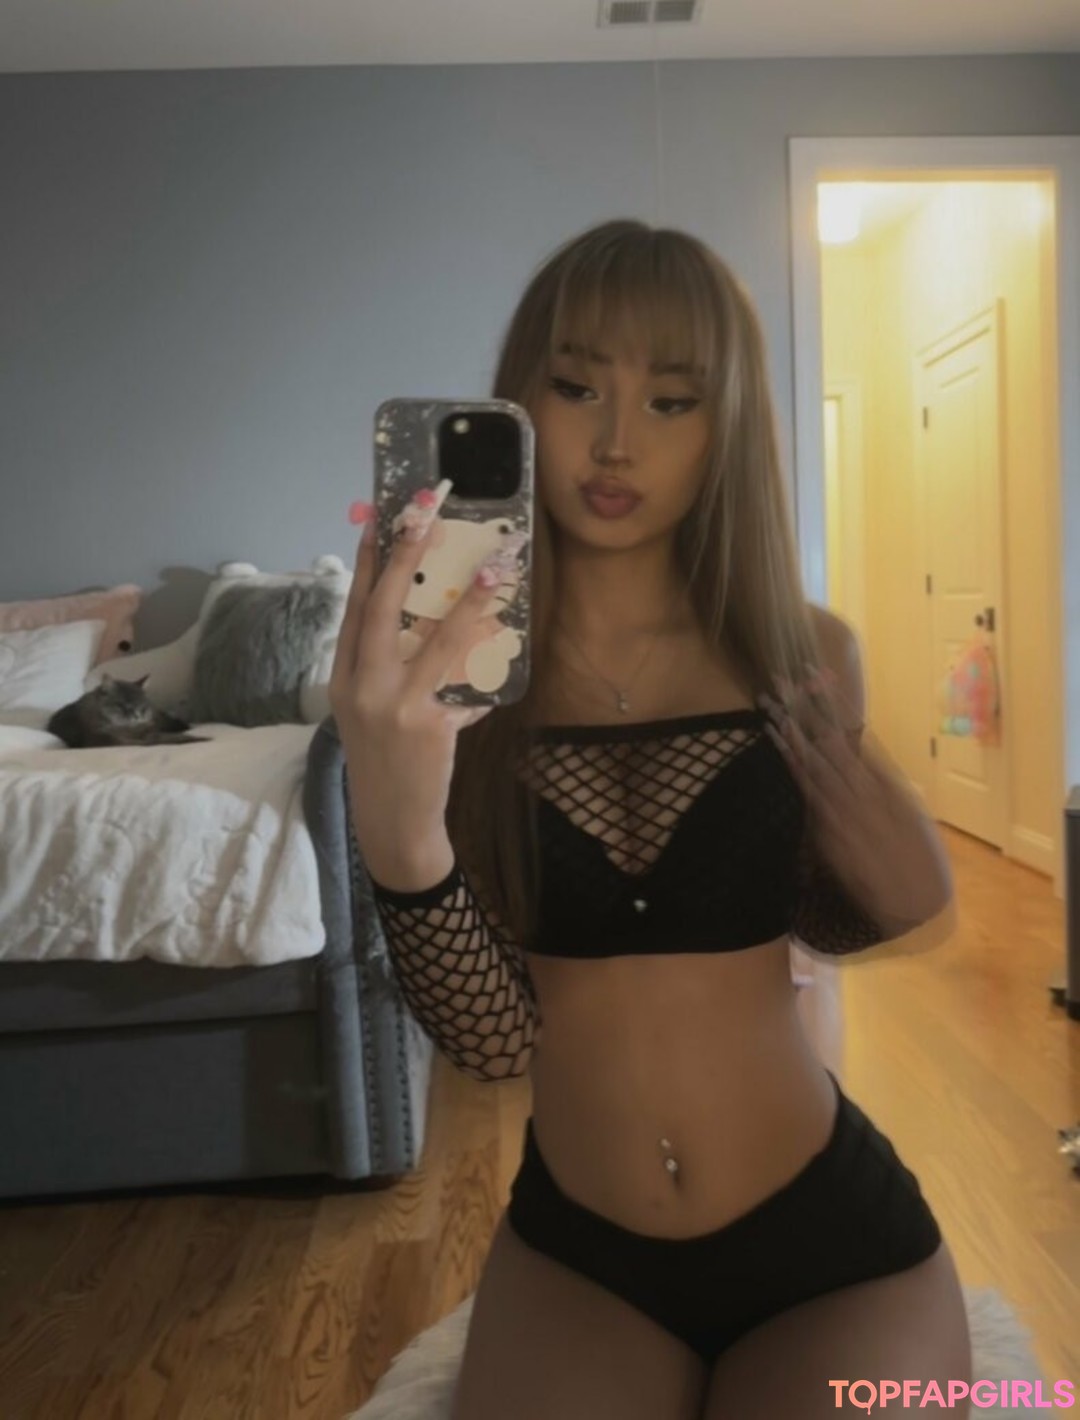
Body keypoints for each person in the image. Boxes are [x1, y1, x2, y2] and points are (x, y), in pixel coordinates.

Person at [329, 219, 970, 1419]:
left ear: (726, 429)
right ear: (518, 401)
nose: (618, 440)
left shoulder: (804, 653)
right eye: (577, 388)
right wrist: (396, 821)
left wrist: (905, 892)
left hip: (831, 1241)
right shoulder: (458, 681)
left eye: (673, 401)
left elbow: (810, 922)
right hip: (586, 1257)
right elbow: (496, 1045)